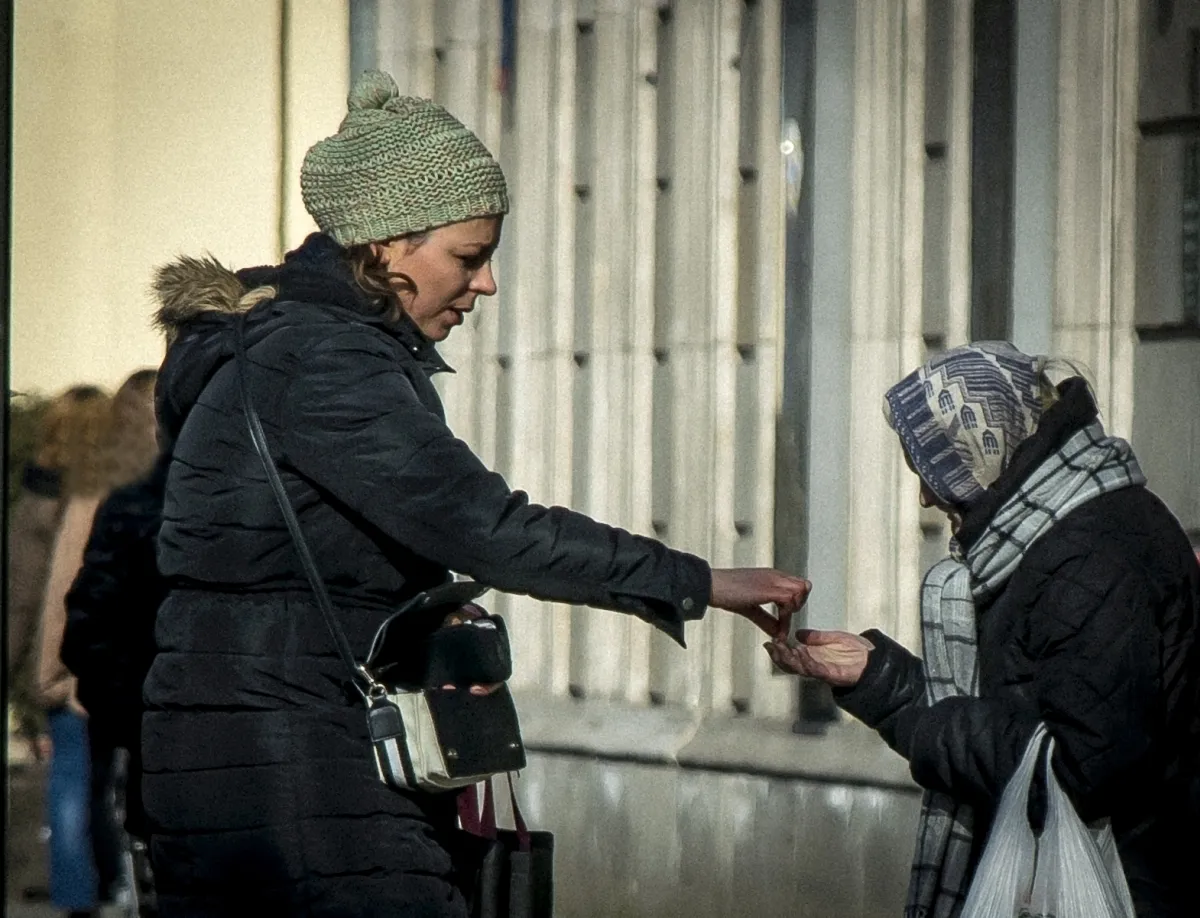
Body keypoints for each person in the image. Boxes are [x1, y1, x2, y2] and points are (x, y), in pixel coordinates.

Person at [141, 69, 810, 918]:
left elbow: (283, 564)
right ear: (386, 244)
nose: (485, 285)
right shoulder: (322, 359)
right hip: (293, 768)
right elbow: (485, 527)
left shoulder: (291, 348)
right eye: (469, 256)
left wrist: (423, 615)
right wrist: (697, 580)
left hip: (257, 750)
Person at [766, 342, 1200, 918]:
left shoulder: (1091, 554)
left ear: (978, 447)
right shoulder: (1056, 532)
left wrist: (930, 728)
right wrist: (876, 678)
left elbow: (1079, 769)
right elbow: (1016, 716)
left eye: (932, 468)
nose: (925, 494)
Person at [38, 370, 160, 917]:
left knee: (78, 787)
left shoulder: (94, 488)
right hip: (129, 676)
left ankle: (82, 895)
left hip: (99, 672)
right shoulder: (168, 486)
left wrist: (51, 675)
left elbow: (62, 589)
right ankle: (105, 889)